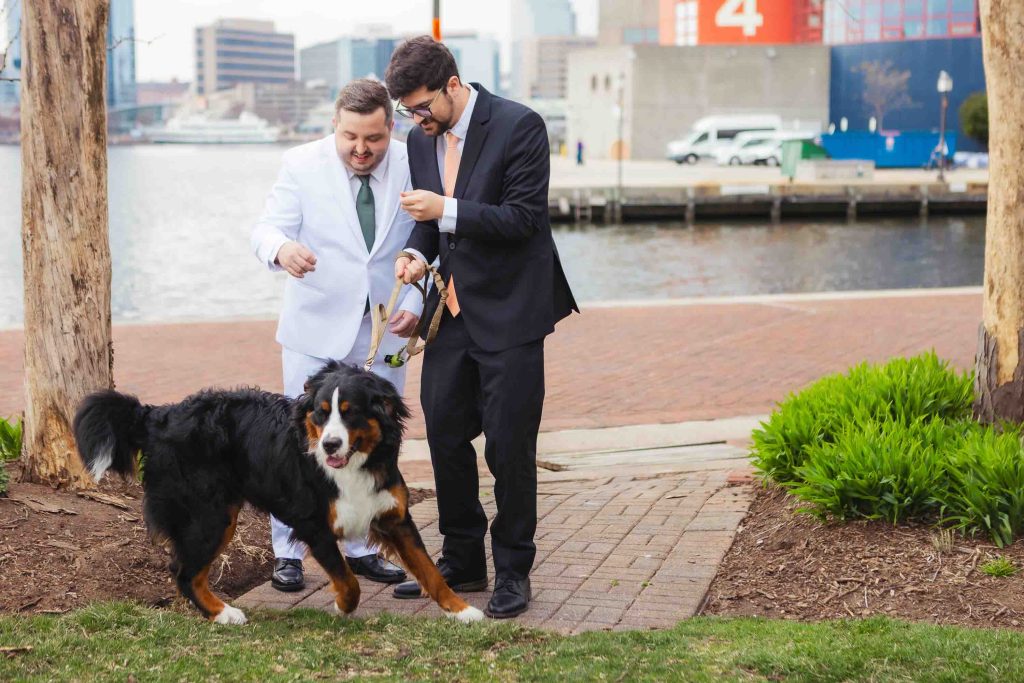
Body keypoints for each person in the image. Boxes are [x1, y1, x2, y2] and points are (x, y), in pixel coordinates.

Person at [384, 36, 577, 619]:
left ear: (451, 85)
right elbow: (430, 227)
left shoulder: (520, 126)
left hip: (514, 312)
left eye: (421, 107)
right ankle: (462, 557)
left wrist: (442, 211)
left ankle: (514, 570)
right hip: (452, 314)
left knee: (509, 446)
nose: (415, 121)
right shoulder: (421, 140)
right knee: (443, 434)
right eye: (406, 112)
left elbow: (521, 220)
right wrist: (417, 255)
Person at [251, 79, 421, 592]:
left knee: (374, 444)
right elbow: (266, 229)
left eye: (373, 138)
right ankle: (288, 552)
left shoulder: (415, 161)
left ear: (390, 126)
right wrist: (282, 250)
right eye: (350, 137)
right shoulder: (301, 164)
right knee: (299, 446)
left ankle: (363, 546)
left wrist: (413, 302)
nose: (362, 149)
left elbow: (424, 241)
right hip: (316, 329)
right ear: (335, 124)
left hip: (384, 331)